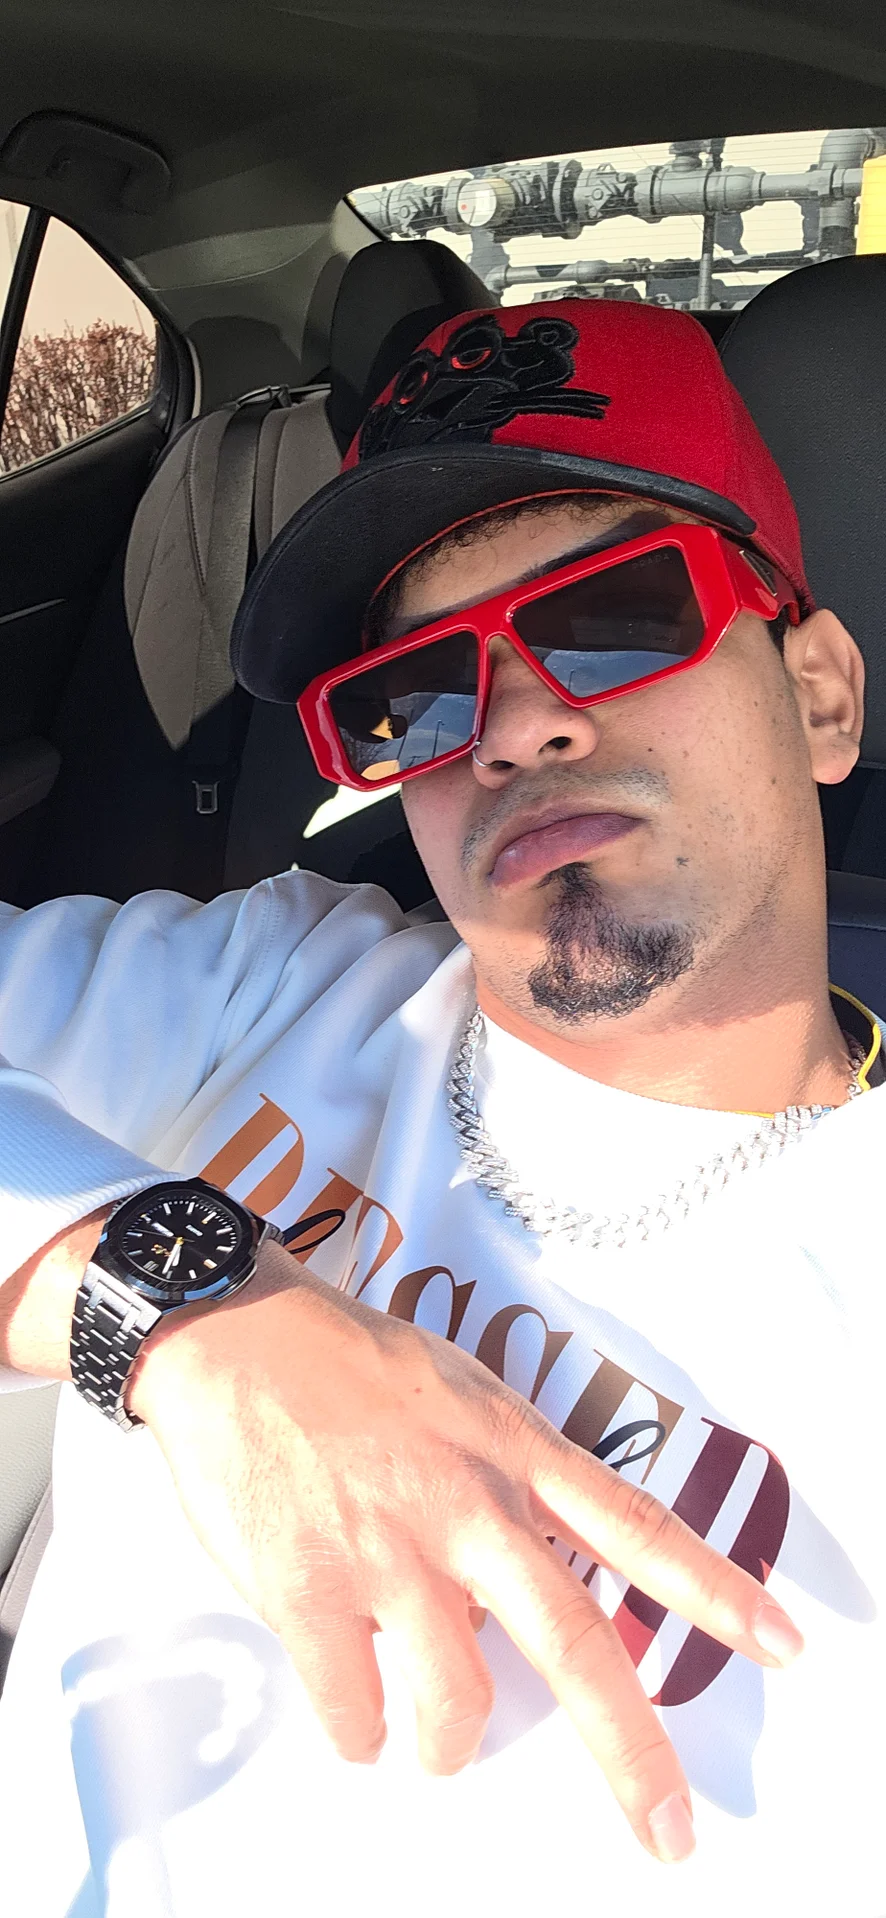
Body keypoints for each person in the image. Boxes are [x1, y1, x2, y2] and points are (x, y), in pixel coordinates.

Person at [0, 298, 881, 1918]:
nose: (519, 726)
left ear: (822, 694)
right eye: (412, 697)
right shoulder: (276, 981)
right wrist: (170, 1299)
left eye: (616, 614)